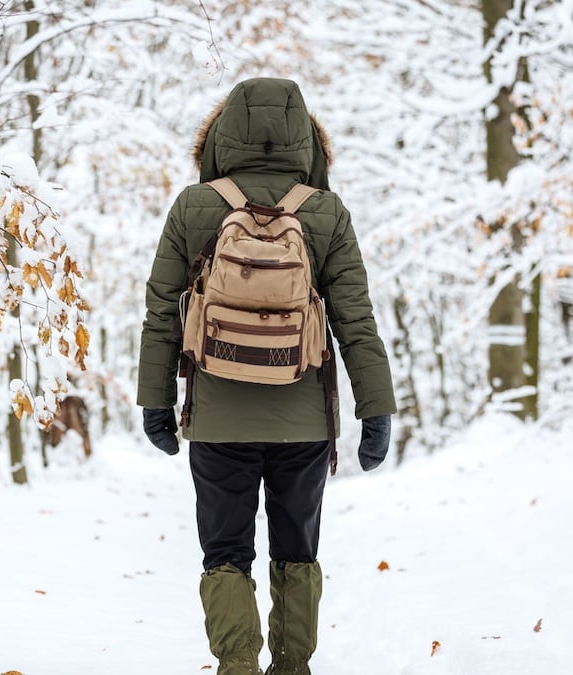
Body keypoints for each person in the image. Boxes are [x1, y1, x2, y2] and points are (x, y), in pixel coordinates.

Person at [136, 78, 397, 675]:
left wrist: (155, 399)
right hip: (302, 418)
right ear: (307, 139)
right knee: (297, 549)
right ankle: (292, 667)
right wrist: (374, 409)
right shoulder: (325, 211)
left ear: (221, 136)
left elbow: (161, 313)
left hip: (218, 419)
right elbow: (356, 318)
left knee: (225, 554)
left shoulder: (194, 206)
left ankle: (236, 667)